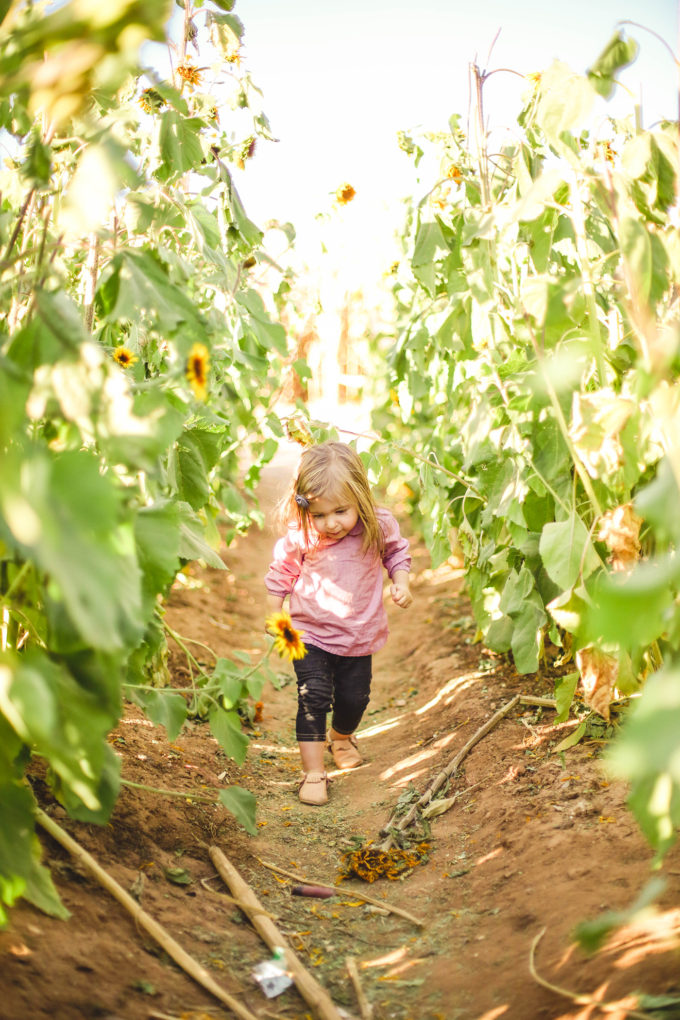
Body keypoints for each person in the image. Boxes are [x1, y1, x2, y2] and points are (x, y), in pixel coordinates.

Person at [265, 441, 413, 806]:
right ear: (305, 510)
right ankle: (313, 772)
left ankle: (342, 737)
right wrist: (275, 614)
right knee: (312, 696)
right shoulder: (302, 534)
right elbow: (281, 573)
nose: (331, 524)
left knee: (354, 699)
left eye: (341, 512)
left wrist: (402, 582)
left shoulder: (377, 526)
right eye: (319, 515)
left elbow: (396, 554)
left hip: (358, 635)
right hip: (309, 632)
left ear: (360, 497)